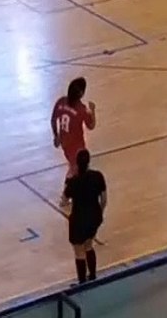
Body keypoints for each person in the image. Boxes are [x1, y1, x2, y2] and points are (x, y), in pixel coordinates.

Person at [63, 149, 107, 284]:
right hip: (94, 216)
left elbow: (64, 201)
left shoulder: (73, 181)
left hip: (78, 220)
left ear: (76, 163)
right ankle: (93, 276)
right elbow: (104, 199)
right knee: (89, 245)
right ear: (89, 161)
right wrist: (100, 213)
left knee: (79, 252)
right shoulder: (97, 176)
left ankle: (82, 282)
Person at [51, 77, 97, 206]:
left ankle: (75, 194)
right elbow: (91, 125)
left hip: (65, 142)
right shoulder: (82, 109)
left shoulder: (61, 102)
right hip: (77, 146)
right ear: (81, 93)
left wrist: (56, 136)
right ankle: (65, 197)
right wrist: (93, 111)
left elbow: (53, 119)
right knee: (74, 170)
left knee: (76, 169)